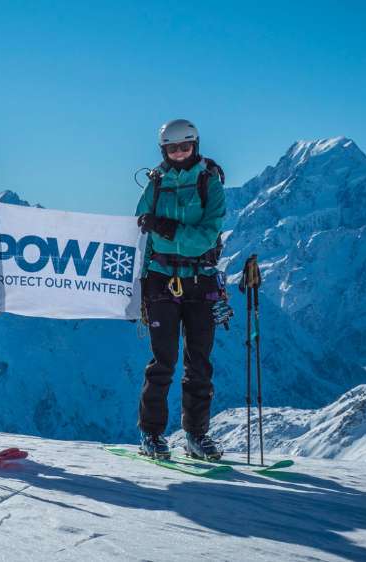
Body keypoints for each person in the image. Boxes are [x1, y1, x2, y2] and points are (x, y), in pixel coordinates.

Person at [135, 119, 227, 461]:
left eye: (185, 147)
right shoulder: (155, 185)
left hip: (200, 279)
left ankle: (195, 435)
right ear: (163, 150)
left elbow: (207, 234)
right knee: (163, 361)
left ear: (195, 146)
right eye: (172, 148)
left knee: (199, 361)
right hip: (159, 280)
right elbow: (139, 234)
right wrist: (138, 287)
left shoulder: (208, 182)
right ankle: (152, 434)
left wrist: (167, 230)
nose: (178, 153)